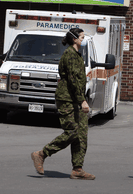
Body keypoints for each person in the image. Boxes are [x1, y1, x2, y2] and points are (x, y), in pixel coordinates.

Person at [31, 28, 95, 180]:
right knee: (72, 132)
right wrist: (83, 100)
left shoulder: (78, 55)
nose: (83, 40)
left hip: (75, 99)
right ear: (74, 39)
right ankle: (41, 154)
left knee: (81, 135)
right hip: (67, 98)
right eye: (82, 37)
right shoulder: (70, 56)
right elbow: (73, 81)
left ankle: (77, 169)